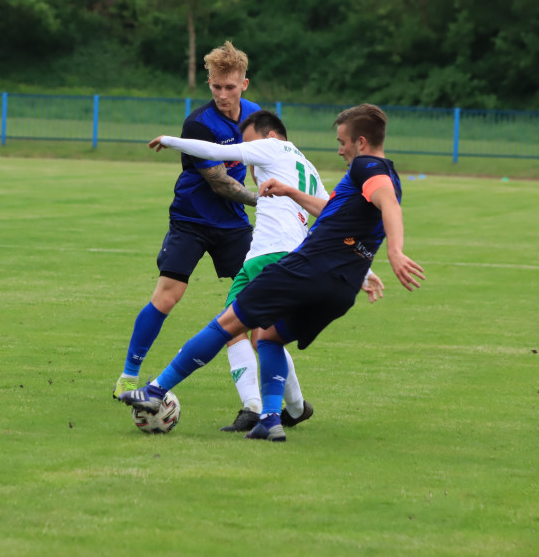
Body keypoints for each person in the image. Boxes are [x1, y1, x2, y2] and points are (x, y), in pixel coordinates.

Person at [120, 103, 424, 442]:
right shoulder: (381, 175)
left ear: (361, 142)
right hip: (341, 289)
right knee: (269, 337)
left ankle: (156, 389)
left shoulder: (366, 167)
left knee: (227, 325)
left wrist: (171, 140)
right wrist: (293, 193)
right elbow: (334, 216)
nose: (339, 149)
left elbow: (388, 205)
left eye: (342, 142)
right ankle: (272, 418)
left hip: (299, 266)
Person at [113, 42, 261, 399]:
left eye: (229, 87)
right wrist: (265, 200)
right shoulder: (198, 123)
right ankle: (128, 377)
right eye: (215, 87)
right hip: (191, 219)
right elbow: (220, 182)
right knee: (168, 296)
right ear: (208, 83)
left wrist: (266, 188)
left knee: (253, 303)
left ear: (244, 84)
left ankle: (260, 396)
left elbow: (259, 162)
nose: (222, 95)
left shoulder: (256, 116)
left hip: (234, 225)